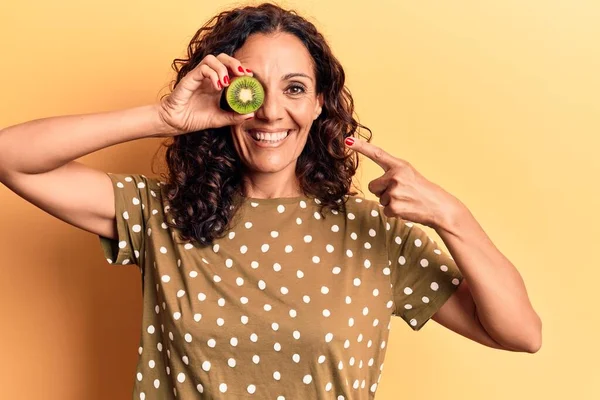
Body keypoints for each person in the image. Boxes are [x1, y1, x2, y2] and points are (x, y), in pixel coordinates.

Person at [0, 2, 542, 399]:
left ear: (320, 103)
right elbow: (10, 156)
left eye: (295, 88)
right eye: (254, 89)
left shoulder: (373, 232)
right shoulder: (163, 214)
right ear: (227, 96)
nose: (271, 113)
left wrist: (451, 216)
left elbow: (521, 333)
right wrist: (163, 117)